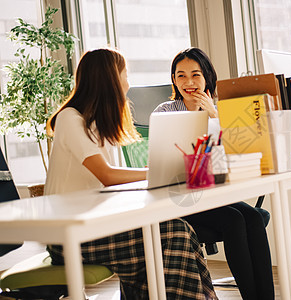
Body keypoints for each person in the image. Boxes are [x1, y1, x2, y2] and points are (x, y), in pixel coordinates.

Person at [44, 48, 217, 300]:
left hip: (98, 226)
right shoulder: (70, 119)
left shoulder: (100, 125)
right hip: (71, 236)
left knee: (179, 229)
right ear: (109, 79)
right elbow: (107, 175)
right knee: (175, 233)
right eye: (125, 74)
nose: (128, 82)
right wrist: (159, 171)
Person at [154, 47, 275, 300]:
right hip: (182, 198)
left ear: (207, 77)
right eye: (181, 76)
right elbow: (168, 163)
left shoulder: (221, 111)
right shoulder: (164, 112)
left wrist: (213, 115)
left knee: (252, 217)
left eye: (195, 75)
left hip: (215, 194)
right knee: (234, 220)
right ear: (174, 80)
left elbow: (234, 153)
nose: (188, 82)